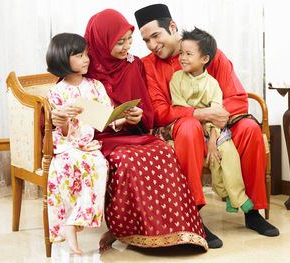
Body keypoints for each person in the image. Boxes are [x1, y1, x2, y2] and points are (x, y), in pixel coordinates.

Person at [134, 4, 280, 245]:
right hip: (179, 127)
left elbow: (238, 99)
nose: (151, 45)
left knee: (250, 129)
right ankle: (193, 215)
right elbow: (159, 111)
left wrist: (215, 116)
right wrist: (200, 113)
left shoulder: (209, 53)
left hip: (217, 125)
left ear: (172, 27)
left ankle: (253, 212)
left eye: (155, 36)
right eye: (146, 40)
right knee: (190, 127)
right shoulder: (147, 65)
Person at [83, 9, 207, 251]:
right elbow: (67, 107)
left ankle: (180, 230)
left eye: (129, 40)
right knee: (127, 160)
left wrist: (137, 116)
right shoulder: (81, 67)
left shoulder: (132, 65)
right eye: (120, 42)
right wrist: (104, 121)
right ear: (101, 40)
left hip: (132, 135)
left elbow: (147, 111)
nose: (127, 47)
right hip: (98, 138)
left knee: (162, 151)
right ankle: (132, 231)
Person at [46, 33, 120, 255]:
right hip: (66, 146)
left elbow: (107, 119)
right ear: (61, 58)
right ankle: (68, 225)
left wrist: (125, 116)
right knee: (67, 165)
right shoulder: (56, 92)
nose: (86, 59)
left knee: (100, 165)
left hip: (89, 145)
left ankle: (73, 221)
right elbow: (62, 131)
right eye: (79, 55)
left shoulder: (96, 86)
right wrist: (64, 120)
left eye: (86, 54)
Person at [170, 27, 254, 214]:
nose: (182, 57)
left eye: (188, 54)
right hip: (191, 127)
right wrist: (201, 121)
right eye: (181, 53)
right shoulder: (176, 79)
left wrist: (213, 141)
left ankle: (237, 198)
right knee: (214, 160)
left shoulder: (213, 84)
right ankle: (225, 193)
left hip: (213, 129)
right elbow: (180, 108)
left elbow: (216, 112)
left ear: (204, 59)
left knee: (228, 153)